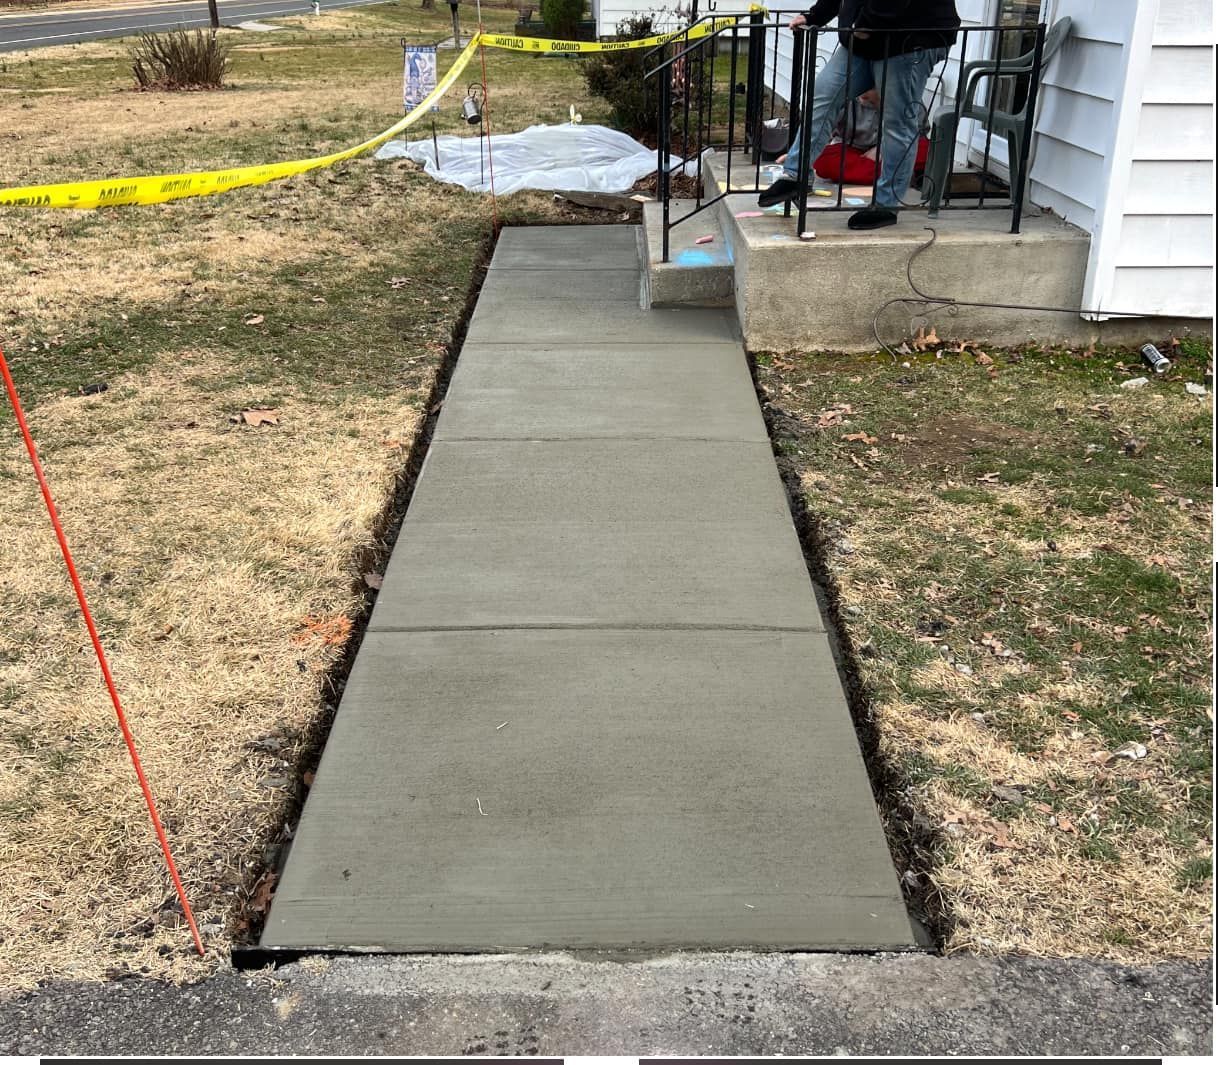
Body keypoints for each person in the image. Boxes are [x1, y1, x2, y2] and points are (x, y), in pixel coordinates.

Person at [758, 0, 959, 229]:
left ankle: (885, 205)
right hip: (865, 37)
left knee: (897, 123)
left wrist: (867, 24)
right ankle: (795, 175)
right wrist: (816, 15)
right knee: (822, 95)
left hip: (908, 38)